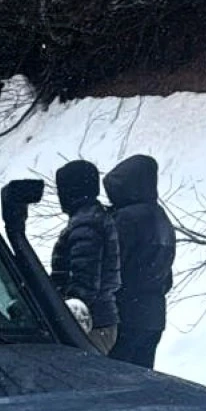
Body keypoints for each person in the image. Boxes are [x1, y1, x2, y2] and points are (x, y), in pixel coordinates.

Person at [103, 154, 176, 370]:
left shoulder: (126, 219)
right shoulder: (162, 218)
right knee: (141, 379)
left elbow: (112, 264)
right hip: (154, 314)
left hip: (126, 312)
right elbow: (167, 276)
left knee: (115, 380)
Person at [51, 160, 122, 353]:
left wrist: (66, 316)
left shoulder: (86, 224)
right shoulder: (92, 218)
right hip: (96, 321)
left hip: (89, 324)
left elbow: (85, 281)